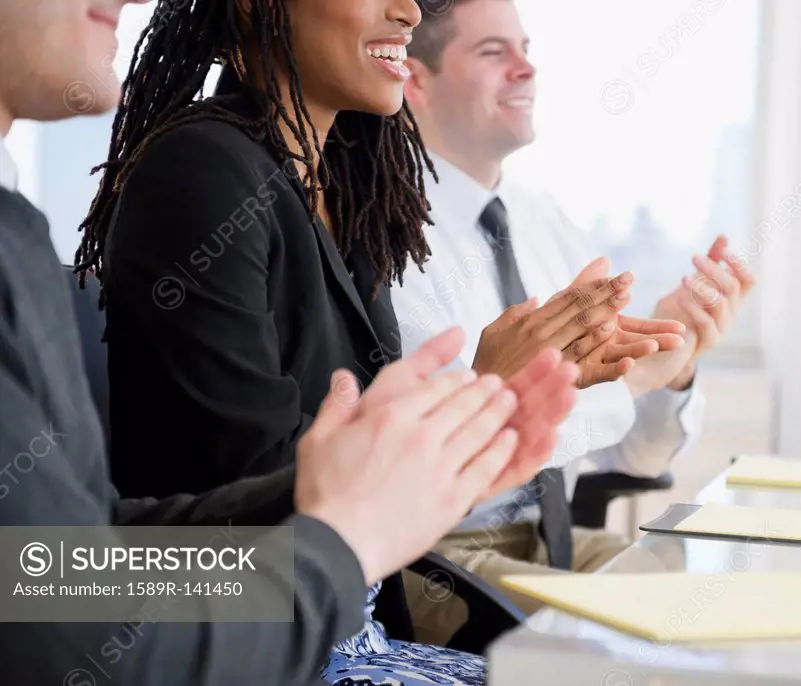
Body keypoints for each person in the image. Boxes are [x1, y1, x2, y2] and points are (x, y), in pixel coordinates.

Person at [72, 0, 656, 682]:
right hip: (261, 644)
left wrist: (496, 397)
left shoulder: (344, 190)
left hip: (354, 627)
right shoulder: (201, 171)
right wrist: (477, 395)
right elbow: (254, 486)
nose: (407, 10)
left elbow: (360, 470)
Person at [391, 0, 758, 639]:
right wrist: (628, 383)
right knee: (657, 637)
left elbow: (636, 457)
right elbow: (458, 448)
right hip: (440, 556)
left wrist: (671, 359)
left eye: (525, 47)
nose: (526, 68)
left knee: (732, 593)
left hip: (553, 538)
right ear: (416, 80)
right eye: (492, 52)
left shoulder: (546, 223)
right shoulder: (385, 233)